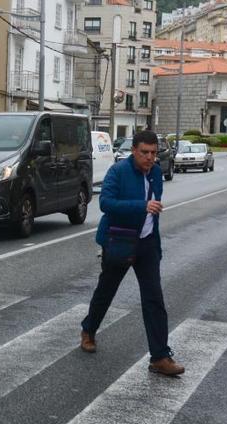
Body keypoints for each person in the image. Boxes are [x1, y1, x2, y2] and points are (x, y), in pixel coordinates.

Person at [80, 130, 184, 376]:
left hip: (146, 243)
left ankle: (159, 356)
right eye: (144, 153)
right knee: (106, 290)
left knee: (154, 299)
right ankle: (88, 330)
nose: (150, 158)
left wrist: (156, 247)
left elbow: (154, 211)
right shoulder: (118, 172)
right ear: (134, 151)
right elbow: (106, 203)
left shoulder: (157, 173)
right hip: (119, 240)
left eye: (153, 153)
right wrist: (142, 206)